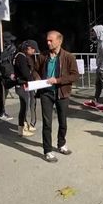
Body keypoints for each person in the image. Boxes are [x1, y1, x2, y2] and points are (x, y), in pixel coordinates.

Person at [33, 31, 78, 163]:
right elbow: (35, 70)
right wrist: (38, 80)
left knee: (62, 121)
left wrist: (58, 80)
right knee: (47, 123)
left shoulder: (69, 57)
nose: (48, 43)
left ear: (59, 41)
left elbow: (75, 75)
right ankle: (47, 150)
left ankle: (61, 144)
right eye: (47, 40)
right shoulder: (42, 56)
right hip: (46, 93)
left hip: (62, 92)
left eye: (51, 40)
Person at [84, 25, 103, 111]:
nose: (92, 34)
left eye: (94, 32)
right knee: (98, 85)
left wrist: (102, 69)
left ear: (98, 32)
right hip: (101, 67)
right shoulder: (100, 42)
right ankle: (95, 100)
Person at [14, 40, 38, 137]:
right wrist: (32, 80)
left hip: (20, 84)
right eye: (33, 49)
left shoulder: (18, 55)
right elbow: (26, 73)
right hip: (22, 85)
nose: (34, 51)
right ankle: (21, 129)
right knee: (24, 107)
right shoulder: (21, 57)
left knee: (24, 106)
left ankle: (23, 126)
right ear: (28, 48)